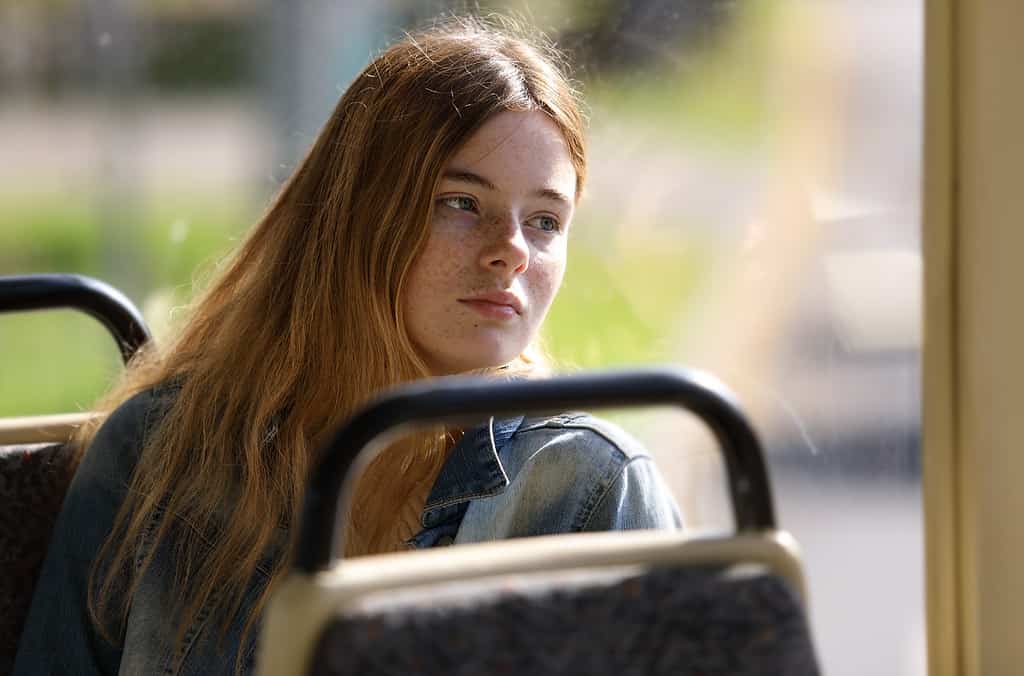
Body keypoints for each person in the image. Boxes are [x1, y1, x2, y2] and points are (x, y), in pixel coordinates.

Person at [13, 15, 682, 676]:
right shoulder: (160, 452)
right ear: (357, 212)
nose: (511, 251)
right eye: (460, 202)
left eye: (544, 221)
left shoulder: (590, 488)